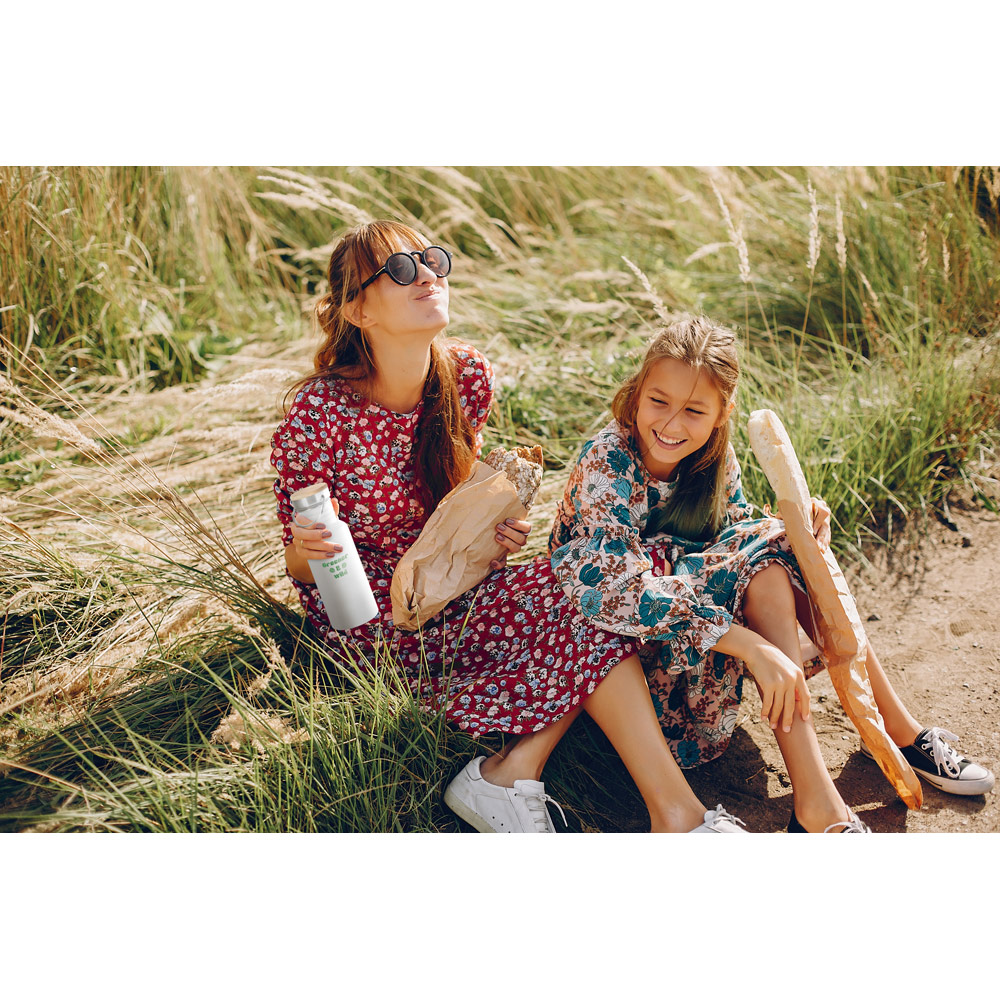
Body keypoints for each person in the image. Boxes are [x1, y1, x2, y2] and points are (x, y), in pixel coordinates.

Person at [269, 220, 748, 833]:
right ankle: (660, 810)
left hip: (459, 589)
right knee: (588, 599)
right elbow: (299, 567)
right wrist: (310, 548)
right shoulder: (319, 411)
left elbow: (456, 506)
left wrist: (496, 535)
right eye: (401, 269)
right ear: (358, 310)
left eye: (432, 260)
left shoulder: (465, 376)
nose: (427, 276)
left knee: (593, 586)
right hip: (375, 621)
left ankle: (581, 791)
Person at [548, 315, 995, 832]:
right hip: (629, 648)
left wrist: (800, 527)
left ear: (722, 413)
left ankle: (875, 749)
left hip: (695, 629)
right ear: (638, 391)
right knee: (773, 547)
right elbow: (614, 589)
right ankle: (830, 797)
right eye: (658, 401)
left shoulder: (713, 457)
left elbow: (733, 533)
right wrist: (753, 646)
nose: (671, 424)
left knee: (781, 549)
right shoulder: (609, 461)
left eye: (694, 410)